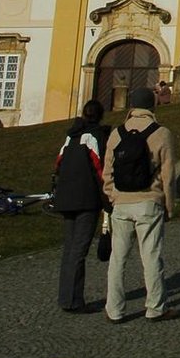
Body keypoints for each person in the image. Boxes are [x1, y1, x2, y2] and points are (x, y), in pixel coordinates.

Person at [103, 85, 177, 321]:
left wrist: (112, 195)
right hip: (148, 202)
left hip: (121, 202)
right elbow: (168, 174)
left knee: (117, 259)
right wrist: (169, 205)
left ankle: (114, 310)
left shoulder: (117, 133)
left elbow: (107, 171)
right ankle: (155, 307)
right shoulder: (161, 133)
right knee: (151, 256)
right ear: (152, 105)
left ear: (132, 105)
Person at [52, 99, 110, 312]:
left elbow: (58, 163)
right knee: (79, 250)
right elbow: (99, 168)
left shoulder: (71, 135)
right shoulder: (94, 136)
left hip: (66, 198)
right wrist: (106, 197)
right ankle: (73, 301)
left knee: (69, 249)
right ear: (100, 115)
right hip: (86, 199)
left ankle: (65, 297)